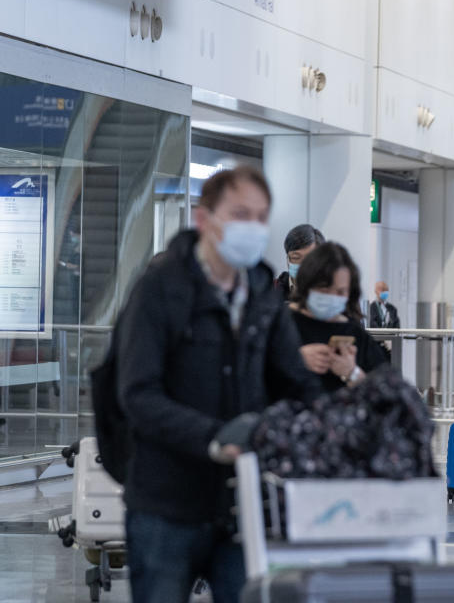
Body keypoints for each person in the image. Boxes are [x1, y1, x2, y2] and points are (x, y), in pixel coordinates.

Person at [116, 167, 321, 603]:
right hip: (166, 504)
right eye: (240, 213)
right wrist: (212, 438)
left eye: (261, 216)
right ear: (204, 218)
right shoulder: (159, 288)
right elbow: (138, 393)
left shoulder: (263, 293)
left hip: (243, 506)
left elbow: (296, 382)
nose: (253, 226)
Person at [290, 242, 388, 393]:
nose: (332, 297)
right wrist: (295, 360)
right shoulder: (283, 323)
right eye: (324, 288)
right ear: (307, 285)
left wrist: (352, 372)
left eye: (341, 292)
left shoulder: (355, 334)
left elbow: (384, 394)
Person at [275, 223, 325, 296]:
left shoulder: (330, 293)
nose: (303, 265)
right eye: (296, 258)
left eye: (310, 259)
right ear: (288, 260)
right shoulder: (272, 290)